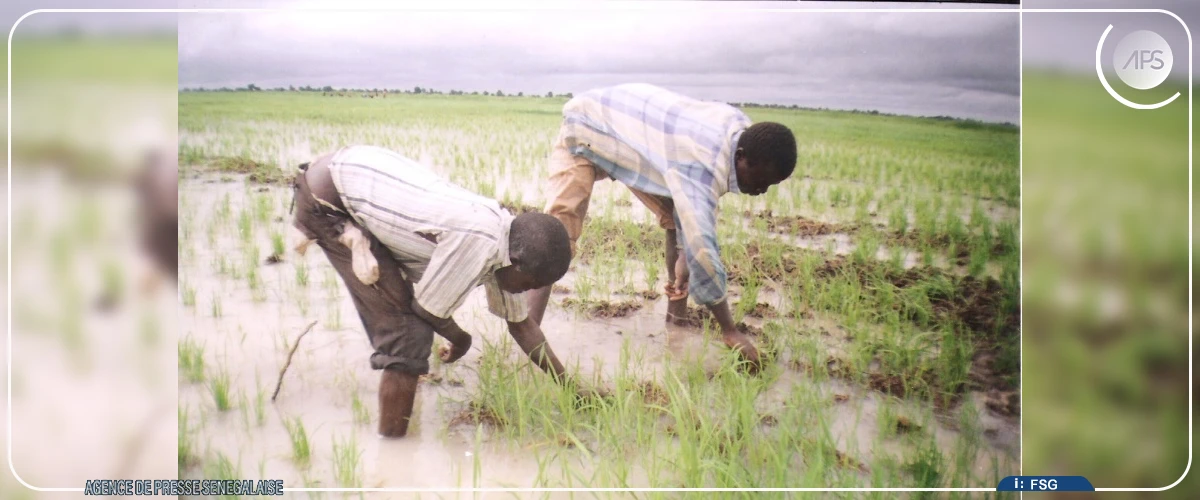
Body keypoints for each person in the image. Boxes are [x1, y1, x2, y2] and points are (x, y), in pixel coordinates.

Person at [290, 145, 581, 438]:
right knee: (409, 336)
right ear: (516, 262)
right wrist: (462, 339)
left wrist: (572, 389)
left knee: (407, 322)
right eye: (529, 285)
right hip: (328, 201)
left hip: (348, 177)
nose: (527, 292)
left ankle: (398, 425)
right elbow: (427, 310)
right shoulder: (480, 240)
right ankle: (392, 452)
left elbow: (522, 326)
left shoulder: (508, 245)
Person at [527, 83, 798, 372]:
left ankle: (675, 323)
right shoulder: (703, 166)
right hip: (586, 127)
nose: (762, 190)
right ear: (741, 156)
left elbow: (692, 216)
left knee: (676, 218)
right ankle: (528, 336)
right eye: (761, 180)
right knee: (557, 238)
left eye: (770, 185)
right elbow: (703, 250)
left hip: (636, 145)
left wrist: (685, 250)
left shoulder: (739, 130)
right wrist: (729, 330)